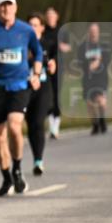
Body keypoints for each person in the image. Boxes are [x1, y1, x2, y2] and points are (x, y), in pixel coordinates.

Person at [0, 0, 43, 197]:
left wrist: (37, 73)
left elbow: (37, 52)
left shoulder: (26, 30)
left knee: (15, 126)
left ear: (16, 7)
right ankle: (6, 178)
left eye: (9, 5)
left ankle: (17, 169)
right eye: (2, 6)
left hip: (20, 85)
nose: (6, 9)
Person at [27, 12, 57, 174]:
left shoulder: (48, 43)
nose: (32, 28)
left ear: (42, 27)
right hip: (25, 88)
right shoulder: (22, 44)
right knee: (31, 125)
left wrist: (53, 65)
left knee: (38, 122)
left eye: (35, 25)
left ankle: (38, 160)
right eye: (29, 24)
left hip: (43, 88)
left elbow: (54, 63)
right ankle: (35, 156)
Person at [77, 22, 111, 135]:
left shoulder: (104, 45)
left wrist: (97, 63)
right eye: (92, 30)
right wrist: (90, 65)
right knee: (90, 103)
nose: (94, 33)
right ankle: (95, 124)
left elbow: (107, 60)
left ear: (99, 32)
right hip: (88, 78)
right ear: (88, 32)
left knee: (101, 101)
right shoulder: (83, 47)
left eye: (95, 30)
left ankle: (102, 120)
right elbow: (80, 62)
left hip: (101, 77)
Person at [43, 7, 63, 139]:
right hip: (45, 67)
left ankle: (56, 125)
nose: (50, 17)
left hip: (59, 68)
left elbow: (68, 47)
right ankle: (51, 126)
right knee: (47, 96)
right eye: (48, 15)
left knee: (57, 96)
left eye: (52, 15)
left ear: (57, 16)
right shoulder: (43, 31)